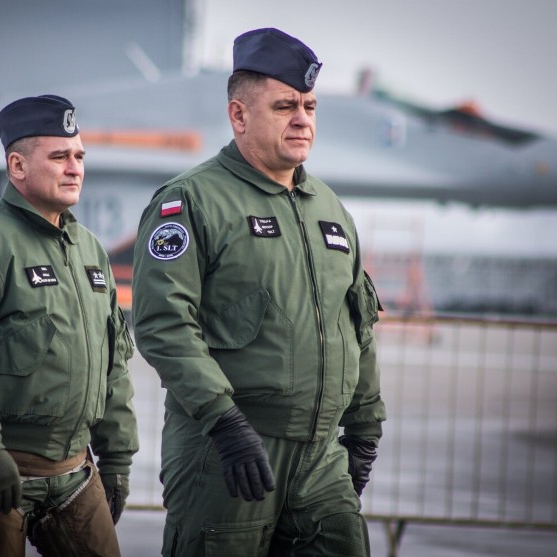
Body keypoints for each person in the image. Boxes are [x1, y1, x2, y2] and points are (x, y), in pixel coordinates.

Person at [131, 28, 385, 556]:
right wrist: (225, 424)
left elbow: (356, 323)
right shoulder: (192, 202)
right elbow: (162, 324)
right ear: (239, 116)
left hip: (319, 458)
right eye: (285, 105)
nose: (302, 119)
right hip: (226, 451)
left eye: (310, 106)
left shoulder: (330, 210)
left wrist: (365, 425)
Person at [0, 94, 139, 557]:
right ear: (17, 166)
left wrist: (117, 455)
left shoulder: (90, 251)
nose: (74, 168)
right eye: (59, 157)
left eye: (79, 156)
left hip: (75, 471)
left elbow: (113, 359)